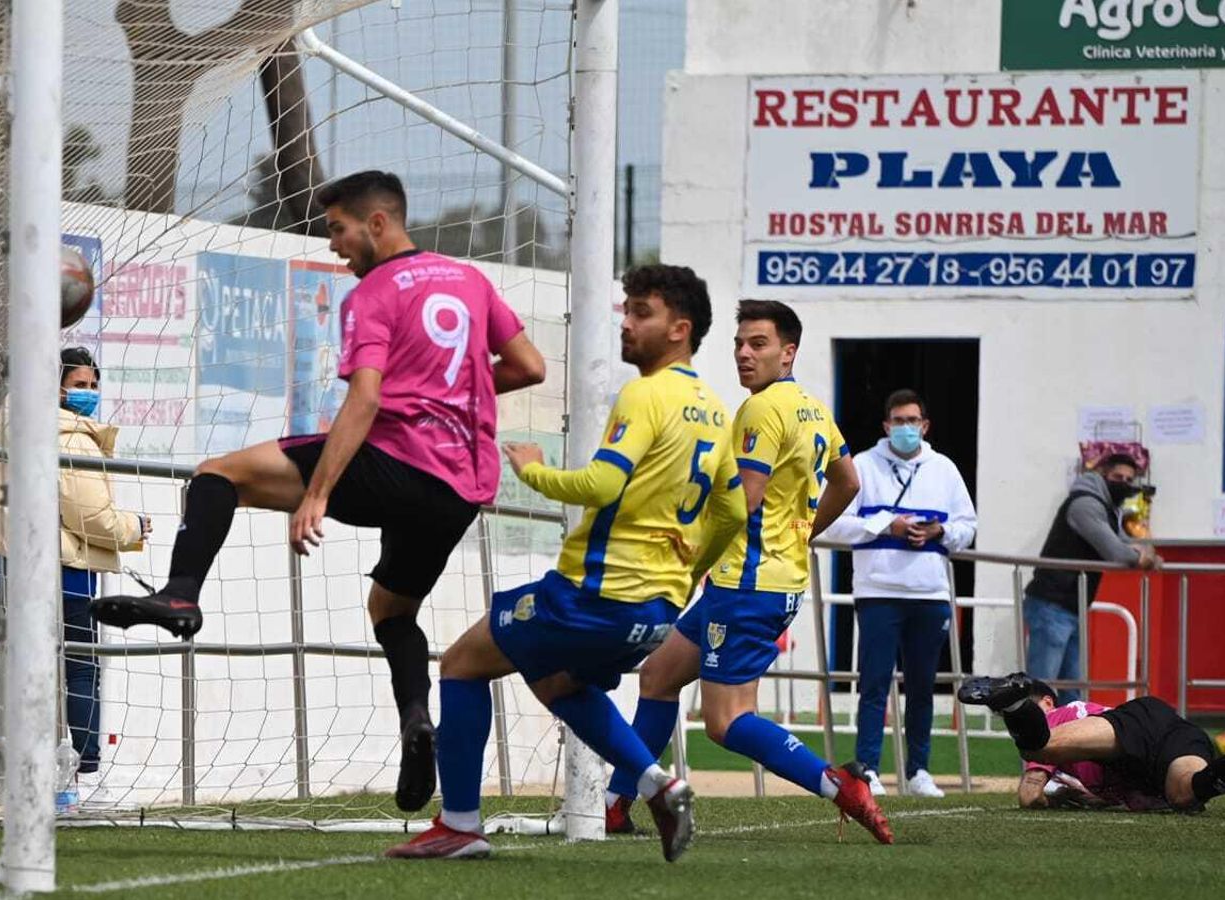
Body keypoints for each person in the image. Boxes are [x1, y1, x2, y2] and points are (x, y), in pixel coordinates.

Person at [90, 171, 546, 812]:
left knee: (218, 473)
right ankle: (417, 721)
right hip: (462, 489)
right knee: (392, 612)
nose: (335, 247)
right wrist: (450, 399)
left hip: (396, 464)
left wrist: (317, 494)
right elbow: (530, 366)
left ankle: (180, 596)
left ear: (378, 224)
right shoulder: (469, 280)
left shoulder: (373, 295)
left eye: (338, 230)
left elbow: (364, 397)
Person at [386, 265, 740, 862]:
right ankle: (656, 783)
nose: (626, 323)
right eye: (626, 309)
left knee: (462, 664)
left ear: (680, 329)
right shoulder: (713, 406)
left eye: (642, 313)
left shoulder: (646, 393)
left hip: (592, 593)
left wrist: (532, 469)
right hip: (653, 608)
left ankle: (460, 824)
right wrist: (684, 576)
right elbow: (731, 511)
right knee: (556, 681)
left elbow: (603, 482)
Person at [605, 300, 893, 844]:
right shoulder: (810, 405)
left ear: (789, 352)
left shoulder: (761, 411)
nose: (743, 353)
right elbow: (848, 481)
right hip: (758, 583)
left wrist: (683, 551)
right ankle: (615, 804)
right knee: (658, 677)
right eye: (739, 343)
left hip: (746, 586)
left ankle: (839, 783)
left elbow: (743, 499)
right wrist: (805, 532)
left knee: (726, 722)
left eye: (757, 343)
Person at [0, 346, 151, 807]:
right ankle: (81, 776)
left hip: (11, 563)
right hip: (63, 571)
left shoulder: (11, 426)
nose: (89, 394)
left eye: (93, 386)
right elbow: (91, 516)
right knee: (80, 668)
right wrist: (134, 527)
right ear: (55, 388)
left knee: (31, 666)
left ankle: (30, 773)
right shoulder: (69, 436)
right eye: (80, 385)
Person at [819, 388, 977, 798]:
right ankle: (868, 768)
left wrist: (941, 531)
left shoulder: (944, 469)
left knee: (922, 687)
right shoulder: (863, 467)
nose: (905, 429)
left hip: (929, 593)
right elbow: (833, 523)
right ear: (885, 426)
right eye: (898, 421)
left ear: (925, 425)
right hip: (878, 592)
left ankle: (918, 770)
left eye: (913, 421)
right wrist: (883, 526)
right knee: (873, 684)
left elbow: (968, 525)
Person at [958, 673, 1225, 812]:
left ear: (1047, 702)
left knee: (1037, 747)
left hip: (1133, 728)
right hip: (1174, 738)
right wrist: (1085, 798)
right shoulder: (1077, 766)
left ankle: (1014, 703)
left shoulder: (1057, 716)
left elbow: (1029, 794)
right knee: (1188, 792)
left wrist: (1052, 800)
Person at [1023, 453, 1158, 703]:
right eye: (1118, 477)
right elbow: (1117, 551)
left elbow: (1132, 548)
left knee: (1072, 691)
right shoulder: (1086, 505)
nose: (1124, 484)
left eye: (1129, 480)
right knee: (1042, 690)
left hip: (1071, 606)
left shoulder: (1107, 509)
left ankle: (1068, 742)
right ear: (1102, 475)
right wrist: (1143, 557)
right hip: (1052, 604)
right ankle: (1033, 741)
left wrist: (1144, 543)